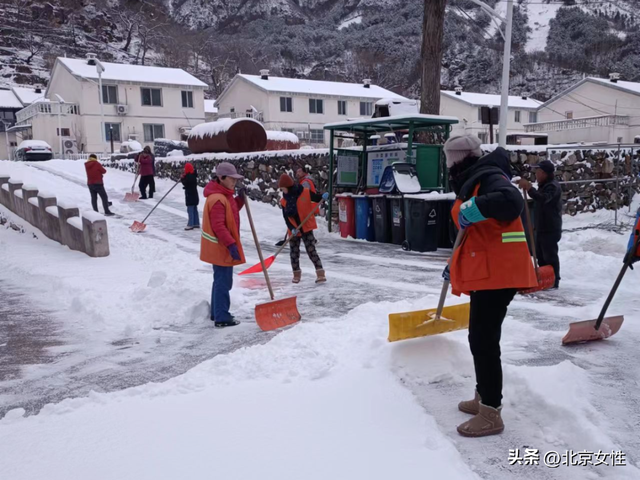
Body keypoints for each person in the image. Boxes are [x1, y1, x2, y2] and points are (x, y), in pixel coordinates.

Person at [443, 135, 537, 438]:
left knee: (484, 341)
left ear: (459, 159)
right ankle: (484, 396)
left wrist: (477, 207)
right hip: (490, 272)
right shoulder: (476, 178)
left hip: (500, 274)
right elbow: (478, 235)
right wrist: (453, 264)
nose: (449, 166)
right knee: (479, 338)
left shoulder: (490, 177)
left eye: (450, 160)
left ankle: (491, 413)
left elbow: (510, 202)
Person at [200, 162, 246, 327]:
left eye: (236, 179)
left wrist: (239, 200)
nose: (234, 182)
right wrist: (231, 245)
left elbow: (230, 213)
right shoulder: (218, 199)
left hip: (222, 246)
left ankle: (217, 312)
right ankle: (221, 316)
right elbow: (219, 226)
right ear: (221, 178)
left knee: (220, 279)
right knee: (223, 281)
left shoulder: (224, 196)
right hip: (221, 247)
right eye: (231, 179)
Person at [518, 160, 563, 288]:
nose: (535, 174)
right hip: (542, 227)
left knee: (550, 255)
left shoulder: (552, 186)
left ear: (543, 173)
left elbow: (543, 198)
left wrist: (530, 188)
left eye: (537, 171)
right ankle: (545, 279)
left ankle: (554, 281)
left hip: (550, 228)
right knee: (541, 256)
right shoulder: (544, 185)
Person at [278, 174, 328, 284]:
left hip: (306, 226)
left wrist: (323, 197)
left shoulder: (304, 192)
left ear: (288, 186)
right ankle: (296, 275)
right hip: (294, 229)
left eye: (283, 188)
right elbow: (286, 218)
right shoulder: (283, 201)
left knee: (311, 251)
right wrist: (292, 228)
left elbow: (316, 198)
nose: (282, 191)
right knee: (294, 253)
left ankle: (320, 273)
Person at [181, 162, 200, 231]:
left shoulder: (189, 176)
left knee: (190, 210)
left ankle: (190, 224)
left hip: (190, 196)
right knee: (194, 209)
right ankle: (196, 223)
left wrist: (182, 178)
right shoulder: (193, 175)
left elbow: (186, 183)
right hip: (194, 195)